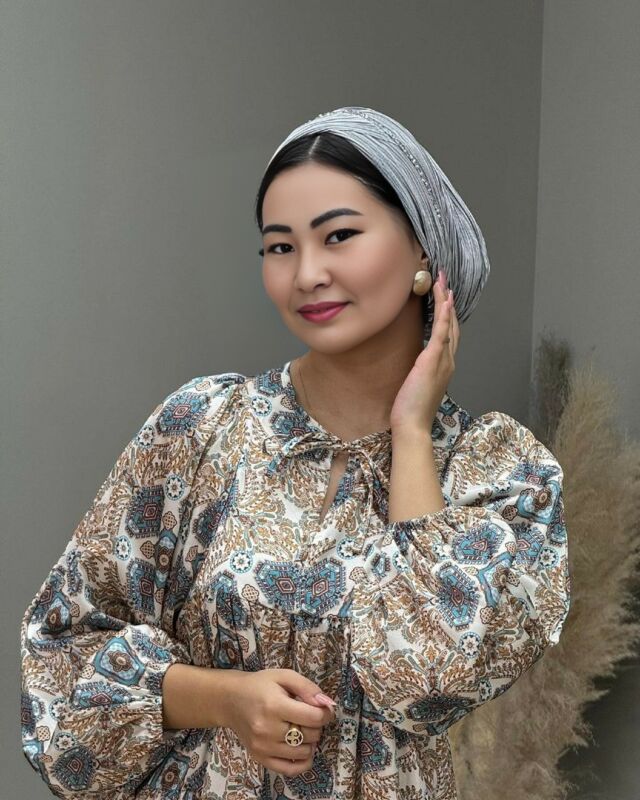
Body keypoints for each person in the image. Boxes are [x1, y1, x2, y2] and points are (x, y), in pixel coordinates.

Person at [20, 106, 571, 799]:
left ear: (423, 252)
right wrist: (222, 699)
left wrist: (410, 431)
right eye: (280, 247)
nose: (307, 273)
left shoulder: (497, 474)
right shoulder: (203, 427)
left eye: (339, 235)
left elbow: (430, 679)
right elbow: (60, 657)